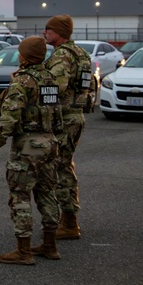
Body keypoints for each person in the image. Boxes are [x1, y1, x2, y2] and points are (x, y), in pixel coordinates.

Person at [0, 37, 62, 265]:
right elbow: (57, 112)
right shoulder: (50, 77)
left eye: (21, 52)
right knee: (47, 192)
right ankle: (50, 245)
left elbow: (10, 114)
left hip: (28, 145)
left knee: (20, 196)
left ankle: (24, 250)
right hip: (49, 142)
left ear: (26, 55)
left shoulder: (23, 80)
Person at [43, 14, 95, 239]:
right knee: (65, 165)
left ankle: (69, 222)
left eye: (48, 29)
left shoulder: (62, 55)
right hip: (76, 116)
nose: (45, 32)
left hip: (63, 119)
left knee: (59, 168)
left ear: (59, 32)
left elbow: (56, 87)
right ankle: (68, 219)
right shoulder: (81, 53)